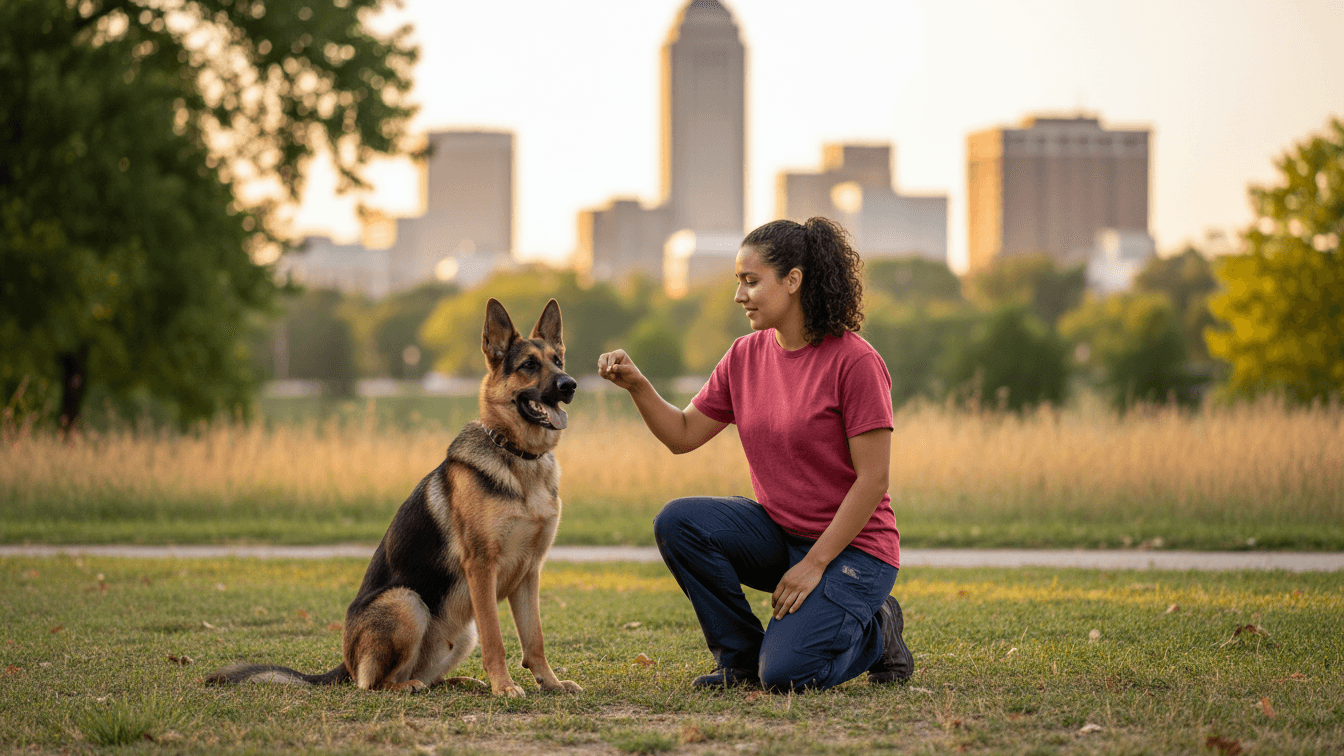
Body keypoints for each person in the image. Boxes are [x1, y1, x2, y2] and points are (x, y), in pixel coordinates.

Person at [597, 217, 912, 692]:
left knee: (787, 677)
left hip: (855, 550)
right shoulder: (745, 356)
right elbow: (683, 434)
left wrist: (815, 564)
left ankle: (876, 631)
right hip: (782, 535)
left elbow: (873, 480)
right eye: (738, 282)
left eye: (750, 281)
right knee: (679, 522)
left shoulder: (856, 362)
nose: (739, 295)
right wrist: (638, 386)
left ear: (793, 280)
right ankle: (738, 659)